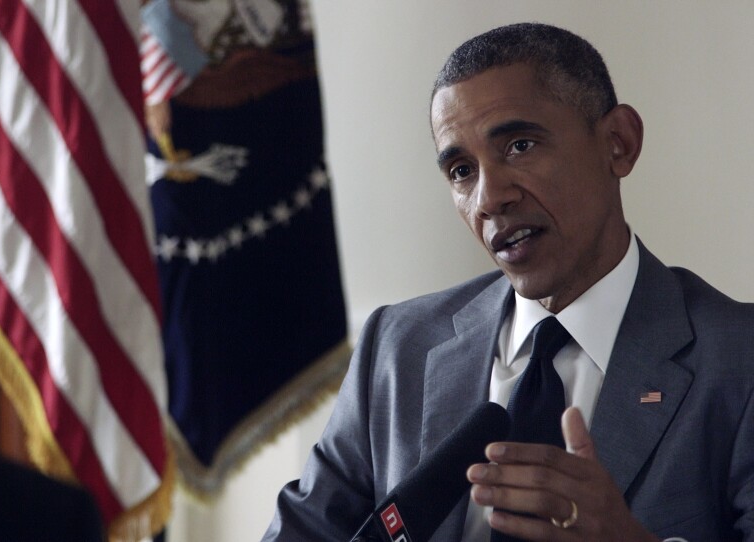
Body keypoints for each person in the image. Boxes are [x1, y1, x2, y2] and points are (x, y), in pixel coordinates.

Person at [262, 22, 754, 541]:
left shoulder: (738, 360)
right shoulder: (397, 348)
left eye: (520, 145)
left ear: (619, 143)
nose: (489, 197)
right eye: (460, 170)